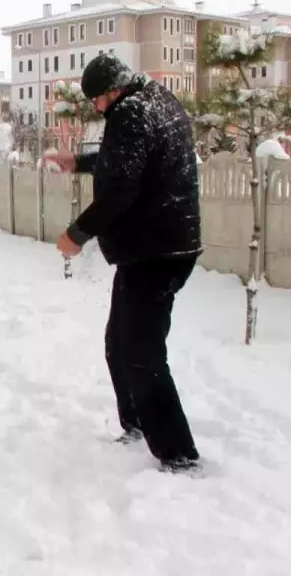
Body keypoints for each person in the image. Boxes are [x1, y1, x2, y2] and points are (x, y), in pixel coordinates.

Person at [46, 54, 202, 473]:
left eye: (97, 100)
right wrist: (78, 162)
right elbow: (129, 160)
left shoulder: (131, 111)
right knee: (120, 342)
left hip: (155, 249)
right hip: (160, 246)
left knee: (142, 352)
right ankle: (136, 425)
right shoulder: (155, 100)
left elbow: (119, 189)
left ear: (111, 92)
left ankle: (178, 455)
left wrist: (76, 234)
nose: (97, 108)